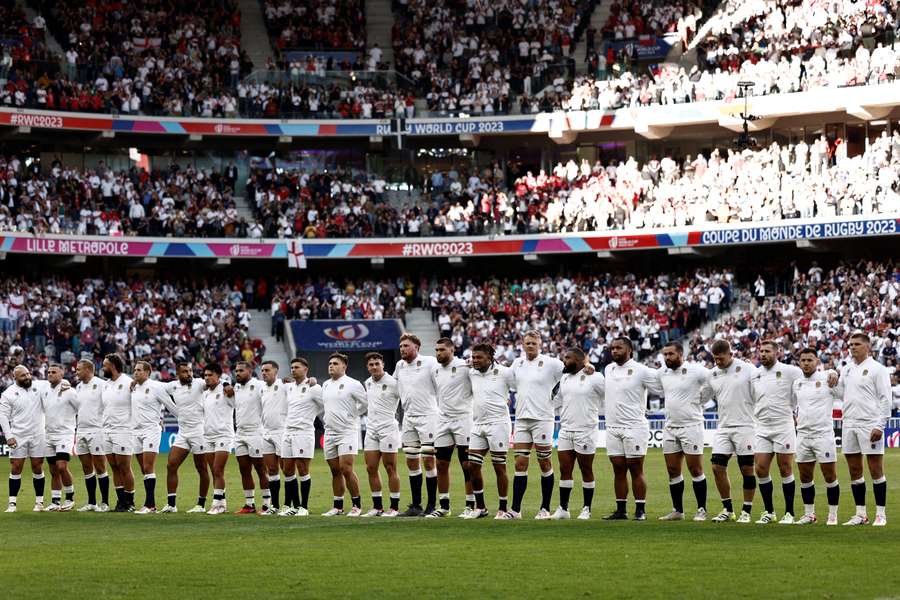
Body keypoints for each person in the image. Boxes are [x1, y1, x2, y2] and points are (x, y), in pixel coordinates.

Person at [602, 337, 664, 521]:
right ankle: (621, 510)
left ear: (630, 350)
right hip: (612, 426)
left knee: (636, 468)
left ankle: (640, 510)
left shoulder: (642, 370)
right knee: (618, 469)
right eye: (612, 348)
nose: (614, 351)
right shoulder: (608, 369)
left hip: (634, 426)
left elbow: (661, 386)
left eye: (619, 348)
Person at [834, 332, 892, 526]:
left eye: (857, 344)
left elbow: (886, 398)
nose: (852, 347)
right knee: (854, 470)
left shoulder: (878, 369)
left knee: (875, 469)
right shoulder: (847, 369)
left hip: (870, 423)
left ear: (867, 347)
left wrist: (880, 424)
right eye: (851, 344)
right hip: (849, 423)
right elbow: (842, 394)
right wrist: (833, 385)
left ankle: (881, 514)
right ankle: (861, 514)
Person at [510, 330, 564, 519]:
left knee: (544, 462)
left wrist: (555, 399)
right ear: (522, 344)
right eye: (527, 343)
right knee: (520, 463)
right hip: (522, 419)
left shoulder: (552, 363)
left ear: (540, 344)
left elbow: (570, 372)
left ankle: (545, 508)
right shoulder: (517, 363)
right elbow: (507, 380)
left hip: (543, 418)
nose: (530, 346)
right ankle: (515, 510)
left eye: (533, 343)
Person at [751, 340, 804, 524]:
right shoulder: (755, 374)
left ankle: (789, 513)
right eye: (761, 351)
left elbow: (808, 381)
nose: (763, 354)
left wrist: (829, 373)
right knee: (761, 468)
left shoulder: (791, 371)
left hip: (783, 426)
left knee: (785, 468)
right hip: (762, 427)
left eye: (767, 351)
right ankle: (769, 511)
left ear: (777, 352)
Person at [656, 343, 710, 522]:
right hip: (670, 427)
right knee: (672, 470)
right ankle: (677, 511)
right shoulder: (662, 373)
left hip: (691, 426)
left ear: (681, 354)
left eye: (671, 354)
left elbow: (714, 380)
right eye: (665, 354)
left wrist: (702, 400)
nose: (667, 358)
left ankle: (701, 509)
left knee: (695, 469)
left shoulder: (696, 370)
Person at [706, 340, 758, 523]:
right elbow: (702, 395)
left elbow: (761, 390)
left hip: (745, 426)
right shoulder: (712, 374)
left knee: (747, 469)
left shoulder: (747, 369)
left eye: (721, 358)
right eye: (715, 359)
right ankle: (728, 510)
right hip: (724, 427)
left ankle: (746, 510)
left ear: (730, 354)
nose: (718, 362)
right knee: (716, 467)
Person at [464, 343, 516, 520]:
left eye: (479, 357)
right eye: (473, 357)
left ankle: (502, 508)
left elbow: (520, 386)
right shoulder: (471, 372)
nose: (475, 361)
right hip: (478, 424)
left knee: (499, 466)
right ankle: (481, 507)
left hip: (498, 424)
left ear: (490, 358)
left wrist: (508, 399)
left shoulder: (504, 372)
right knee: (472, 465)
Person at [551, 348, 605, 520]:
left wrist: (592, 367)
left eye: (567, 358)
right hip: (566, 429)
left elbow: (609, 396)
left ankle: (586, 508)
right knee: (564, 469)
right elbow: (555, 399)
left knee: (585, 469)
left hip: (586, 430)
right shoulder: (564, 378)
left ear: (580, 361)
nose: (564, 361)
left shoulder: (595, 377)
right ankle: (563, 509)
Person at [393, 333, 440, 516]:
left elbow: (443, 376)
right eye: (401, 346)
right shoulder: (399, 366)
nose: (402, 349)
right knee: (412, 461)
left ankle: (431, 505)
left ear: (416, 347)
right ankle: (416, 505)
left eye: (406, 346)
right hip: (409, 417)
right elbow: (392, 385)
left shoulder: (429, 362)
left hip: (428, 416)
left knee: (428, 460)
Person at [793, 348, 841, 525]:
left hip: (823, 434)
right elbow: (793, 404)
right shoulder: (797, 383)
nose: (806, 363)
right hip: (803, 434)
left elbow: (840, 387)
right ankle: (809, 514)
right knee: (805, 477)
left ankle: (833, 515)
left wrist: (834, 372)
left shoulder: (827, 378)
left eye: (809, 360)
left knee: (830, 476)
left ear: (817, 361)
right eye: (803, 360)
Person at [429, 337, 474, 518]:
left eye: (442, 350)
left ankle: (470, 505)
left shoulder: (465, 367)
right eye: (436, 350)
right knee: (440, 463)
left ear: (452, 350)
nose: (438, 353)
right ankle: (444, 506)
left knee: (467, 464)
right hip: (443, 419)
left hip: (463, 418)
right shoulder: (435, 371)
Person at [321, 353, 367, 517]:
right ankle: (338, 506)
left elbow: (365, 403)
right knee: (335, 471)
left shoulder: (353, 384)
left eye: (335, 363)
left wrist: (353, 414)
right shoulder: (325, 385)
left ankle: (356, 505)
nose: (331, 366)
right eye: (330, 363)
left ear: (344, 366)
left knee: (346, 469)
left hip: (347, 431)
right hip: (330, 432)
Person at [162, 362, 210, 514]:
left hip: (199, 432)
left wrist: (227, 385)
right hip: (183, 433)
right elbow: (155, 388)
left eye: (190, 371)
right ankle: (171, 504)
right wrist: (135, 383)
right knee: (171, 465)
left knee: (201, 468)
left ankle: (201, 505)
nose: (189, 374)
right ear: (178, 374)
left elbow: (214, 381)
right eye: (185, 372)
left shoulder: (199, 383)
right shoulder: (172, 386)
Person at [131, 361, 177, 514]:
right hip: (135, 432)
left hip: (151, 430)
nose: (135, 372)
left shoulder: (156, 387)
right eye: (134, 370)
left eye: (139, 370)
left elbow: (171, 406)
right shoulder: (133, 387)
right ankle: (150, 504)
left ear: (147, 372)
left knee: (148, 467)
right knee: (144, 470)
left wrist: (186, 420)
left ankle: (150, 505)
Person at [1, 366, 50, 512]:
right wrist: (8, 436)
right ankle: (12, 503)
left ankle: (39, 502)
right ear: (14, 378)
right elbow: (2, 416)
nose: (27, 377)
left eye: (28, 373)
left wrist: (65, 384)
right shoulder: (8, 394)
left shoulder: (40, 385)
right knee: (16, 467)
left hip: (38, 434)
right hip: (18, 435)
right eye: (23, 376)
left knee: (37, 466)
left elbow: (56, 384)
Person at [280, 357, 322, 516]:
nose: (293, 369)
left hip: (303, 432)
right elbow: (272, 383)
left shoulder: (314, 387)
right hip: (288, 431)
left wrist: (314, 416)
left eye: (296, 367)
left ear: (306, 369)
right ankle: (294, 506)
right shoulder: (288, 387)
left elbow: (326, 404)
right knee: (287, 469)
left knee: (303, 468)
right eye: (291, 367)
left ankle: (304, 507)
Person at [362, 352, 402, 517]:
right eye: (371, 364)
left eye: (377, 363)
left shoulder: (394, 383)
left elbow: (406, 399)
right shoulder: (367, 383)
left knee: (390, 468)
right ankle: (377, 507)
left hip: (388, 429)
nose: (374, 367)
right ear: (367, 367)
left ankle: (394, 507)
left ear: (383, 365)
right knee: (371, 468)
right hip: (371, 430)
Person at [232, 361, 269, 514]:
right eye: (236, 371)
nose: (237, 373)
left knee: (261, 468)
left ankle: (267, 503)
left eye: (241, 370)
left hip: (256, 432)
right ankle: (250, 504)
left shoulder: (259, 385)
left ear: (250, 371)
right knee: (244, 469)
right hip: (239, 433)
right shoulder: (236, 387)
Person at [73, 359, 110, 512]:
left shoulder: (102, 385)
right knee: (87, 467)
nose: (76, 371)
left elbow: (109, 405)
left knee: (100, 466)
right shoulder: (79, 387)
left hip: (97, 430)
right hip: (81, 430)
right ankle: (92, 502)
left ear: (88, 369)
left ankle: (105, 503)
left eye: (78, 369)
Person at [101, 354, 136, 512]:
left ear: (113, 366)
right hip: (107, 430)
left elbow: (138, 402)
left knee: (124, 467)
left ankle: (130, 502)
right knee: (114, 467)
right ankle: (120, 501)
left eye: (105, 365)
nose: (103, 368)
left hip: (123, 430)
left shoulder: (128, 382)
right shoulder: (106, 385)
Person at [42, 364, 78, 511]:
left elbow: (79, 407)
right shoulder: (44, 391)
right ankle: (55, 501)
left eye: (54, 372)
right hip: (48, 434)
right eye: (49, 372)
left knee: (62, 466)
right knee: (52, 469)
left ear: (61, 374)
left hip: (64, 434)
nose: (50, 374)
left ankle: (70, 498)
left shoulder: (69, 391)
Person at [203, 364, 234, 515]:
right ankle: (222, 504)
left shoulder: (226, 391)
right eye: (205, 375)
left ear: (218, 376)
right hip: (208, 436)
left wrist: (229, 386)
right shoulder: (205, 393)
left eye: (210, 375)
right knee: (214, 471)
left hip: (223, 435)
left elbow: (236, 404)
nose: (207, 378)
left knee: (217, 469)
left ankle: (216, 504)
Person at [259, 360, 288, 515]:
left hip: (281, 431)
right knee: (271, 470)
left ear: (276, 372)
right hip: (266, 432)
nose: (264, 373)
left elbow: (301, 385)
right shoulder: (261, 388)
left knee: (287, 469)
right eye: (262, 370)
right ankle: (274, 505)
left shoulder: (284, 385)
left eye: (267, 370)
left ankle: (289, 505)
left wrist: (312, 381)